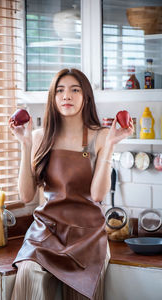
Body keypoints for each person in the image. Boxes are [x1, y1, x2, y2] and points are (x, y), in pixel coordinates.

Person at [9, 68, 133, 300]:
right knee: (27, 273)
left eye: (75, 90)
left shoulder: (101, 135)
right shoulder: (39, 137)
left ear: (85, 97)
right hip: (46, 231)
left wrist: (111, 146)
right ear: (53, 98)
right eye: (60, 91)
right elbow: (26, 196)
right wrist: (24, 145)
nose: (67, 96)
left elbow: (97, 194)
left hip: (87, 236)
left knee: (80, 292)